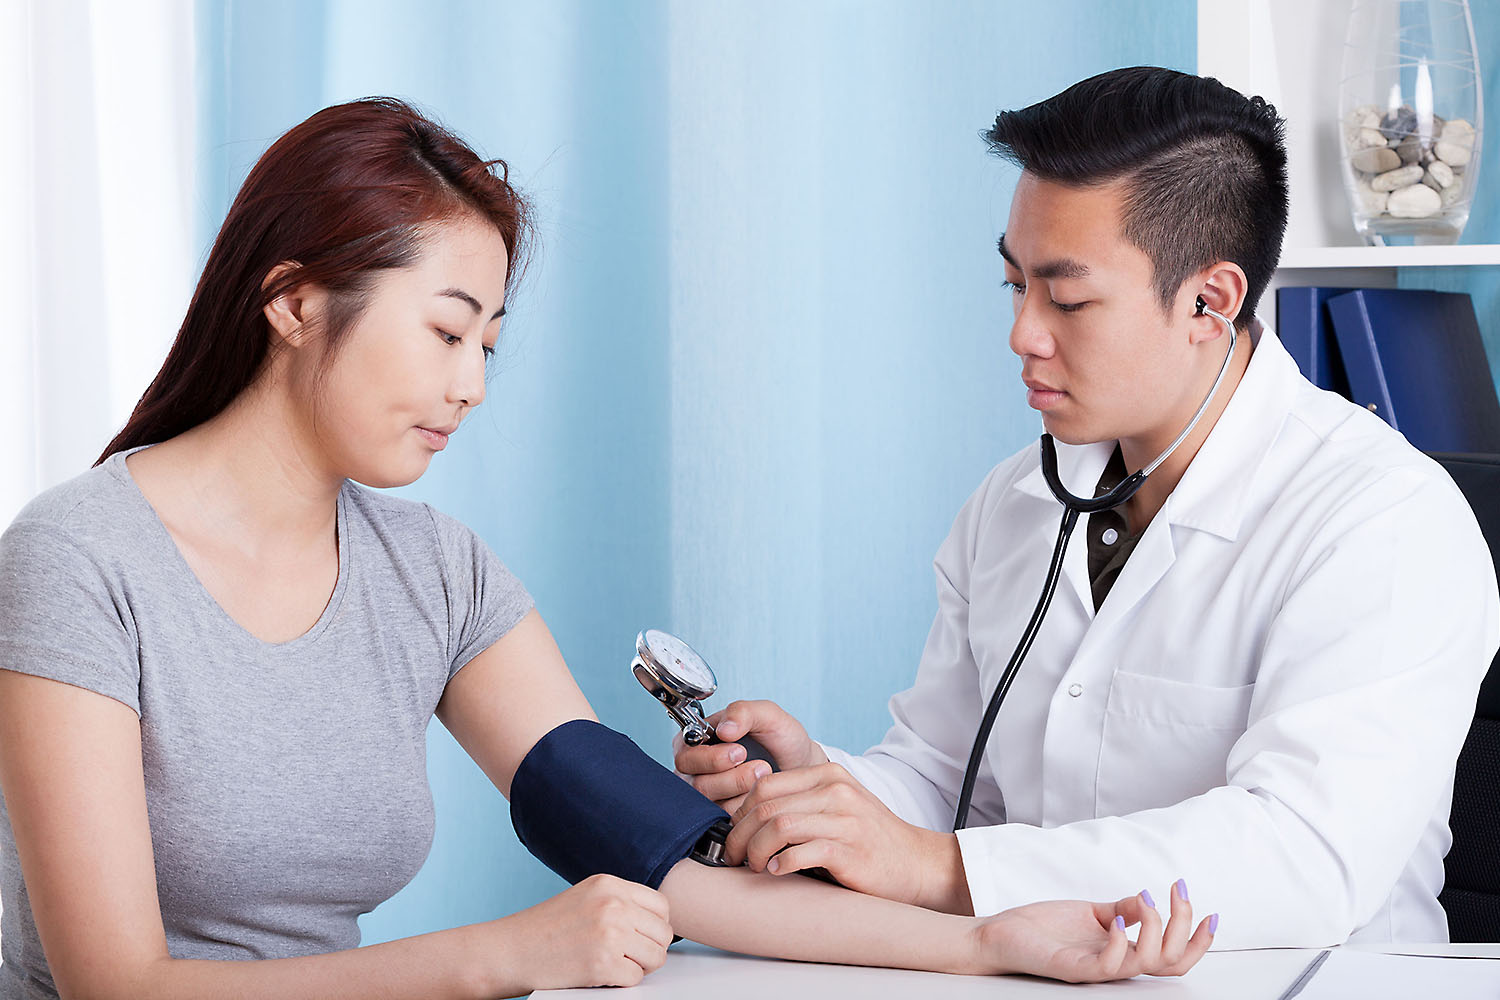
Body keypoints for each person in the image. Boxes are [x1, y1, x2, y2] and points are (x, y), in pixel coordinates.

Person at [0, 97, 1215, 1000]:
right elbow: (120, 981)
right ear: (292, 301)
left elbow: (663, 867)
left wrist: (992, 939)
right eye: (444, 332)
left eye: (491, 342)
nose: (472, 385)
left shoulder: (436, 573)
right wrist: (498, 954)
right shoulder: (80, 559)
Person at [675, 66, 1500, 948]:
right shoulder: (1012, 502)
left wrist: (937, 867)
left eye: (1067, 298)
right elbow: (953, 782)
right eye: (1014, 286)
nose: (1024, 333)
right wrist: (822, 789)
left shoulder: (1383, 521)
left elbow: (1305, 858)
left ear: (1207, 301)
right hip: (1032, 971)